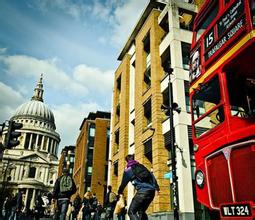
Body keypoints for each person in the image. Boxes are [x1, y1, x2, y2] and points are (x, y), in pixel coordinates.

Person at [118, 154, 160, 220]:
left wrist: (119, 192)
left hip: (142, 192)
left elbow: (123, 184)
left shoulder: (128, 171)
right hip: (151, 192)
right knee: (141, 211)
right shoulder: (141, 166)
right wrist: (157, 188)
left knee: (131, 212)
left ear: (127, 161)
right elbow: (152, 176)